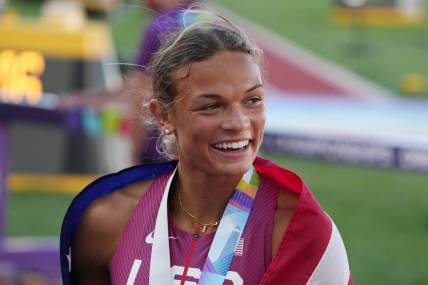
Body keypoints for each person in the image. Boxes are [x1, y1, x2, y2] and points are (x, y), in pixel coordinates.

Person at [60, 10, 354, 285]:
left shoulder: (297, 231)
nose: (239, 123)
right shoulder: (109, 220)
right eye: (212, 106)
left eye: (252, 100)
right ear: (163, 115)